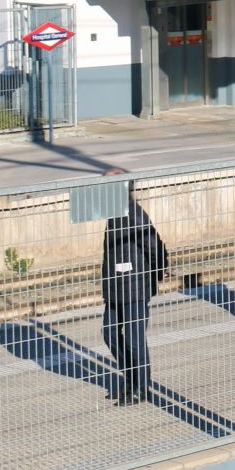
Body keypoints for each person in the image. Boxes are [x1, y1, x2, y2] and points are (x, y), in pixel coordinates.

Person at [100, 169, 170, 405]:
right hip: (115, 288)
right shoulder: (113, 213)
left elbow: (153, 244)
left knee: (133, 338)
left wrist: (159, 270)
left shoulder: (133, 213)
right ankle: (130, 379)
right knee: (109, 332)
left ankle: (141, 387)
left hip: (135, 288)